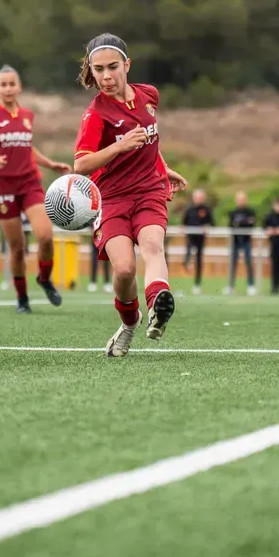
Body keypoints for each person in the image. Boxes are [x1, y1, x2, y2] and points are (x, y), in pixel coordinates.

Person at [73, 32, 187, 356]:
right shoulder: (95, 114)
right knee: (123, 270)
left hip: (149, 189)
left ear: (127, 65)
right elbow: (81, 164)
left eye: (112, 67)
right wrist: (119, 145)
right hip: (111, 198)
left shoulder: (149, 96)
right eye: (98, 70)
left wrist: (163, 169)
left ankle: (158, 308)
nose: (106, 76)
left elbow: (150, 139)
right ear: (91, 71)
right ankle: (129, 322)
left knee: (153, 246)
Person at [0, 65, 71, 314]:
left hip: (29, 181)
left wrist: (50, 164)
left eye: (12, 84)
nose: (8, 88)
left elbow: (26, 147)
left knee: (45, 235)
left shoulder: (27, 115)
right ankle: (22, 298)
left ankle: (44, 278)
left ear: (19, 87)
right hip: (1, 185)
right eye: (3, 84)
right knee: (17, 246)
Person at [224, 190, 257, 296]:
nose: (241, 201)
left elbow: (251, 224)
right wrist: (242, 223)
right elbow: (231, 225)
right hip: (235, 241)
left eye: (242, 199)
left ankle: (251, 285)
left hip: (246, 240)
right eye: (239, 199)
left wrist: (240, 223)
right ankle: (230, 286)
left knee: (248, 262)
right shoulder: (233, 212)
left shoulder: (250, 212)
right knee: (233, 263)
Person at [182, 188, 214, 294]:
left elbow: (212, 223)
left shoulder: (206, 210)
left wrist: (207, 227)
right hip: (190, 238)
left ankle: (197, 284)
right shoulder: (189, 209)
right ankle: (187, 264)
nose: (198, 199)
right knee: (188, 253)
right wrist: (183, 228)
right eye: (196, 197)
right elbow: (183, 223)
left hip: (200, 239)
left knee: (199, 261)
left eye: (200, 197)